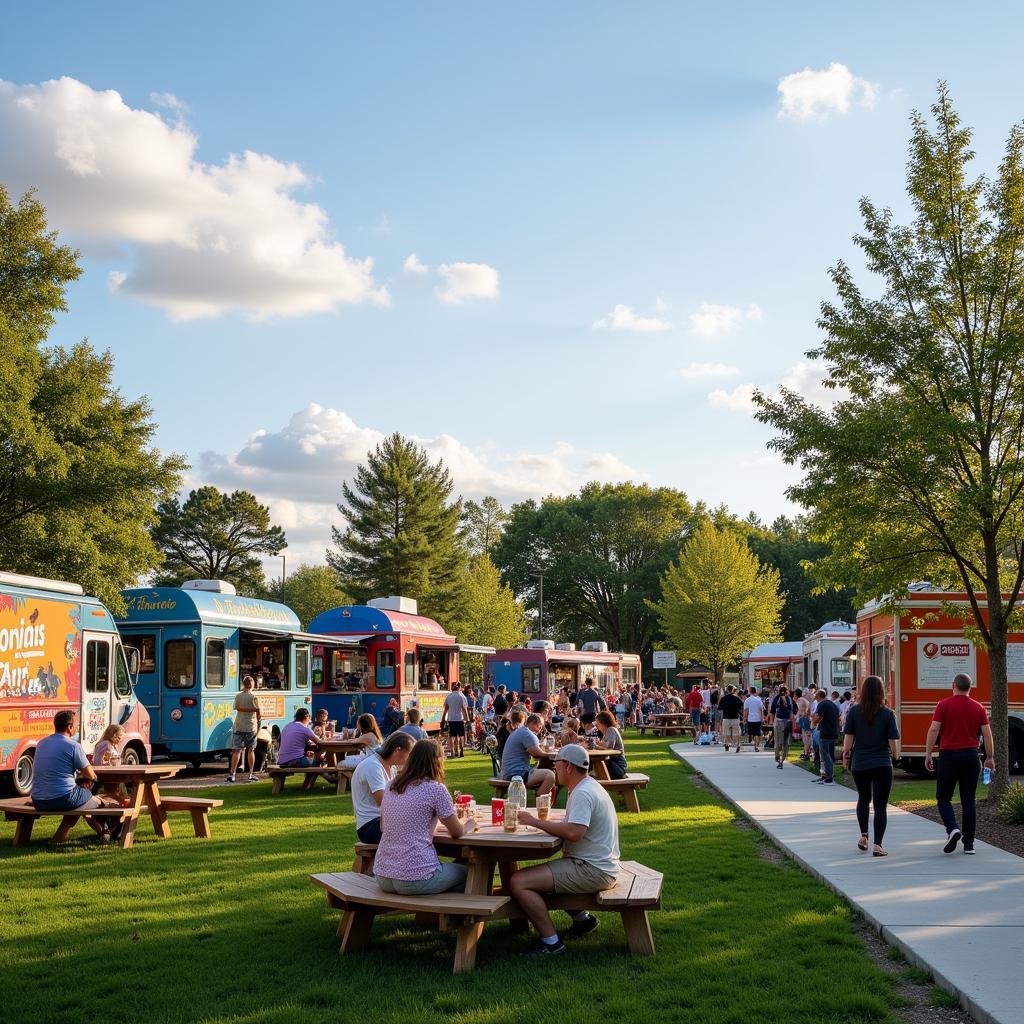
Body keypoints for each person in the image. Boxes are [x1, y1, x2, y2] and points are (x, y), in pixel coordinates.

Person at [510, 744, 621, 956]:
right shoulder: (589, 786)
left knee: (519, 881)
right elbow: (575, 827)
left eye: (557, 765)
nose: (554, 770)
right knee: (548, 874)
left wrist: (534, 821)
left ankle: (551, 942)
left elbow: (574, 832)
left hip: (592, 869)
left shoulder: (582, 793)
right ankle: (583, 920)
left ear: (568, 767)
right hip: (603, 864)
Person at [373, 738, 473, 894]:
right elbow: (457, 832)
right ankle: (459, 916)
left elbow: (383, 826)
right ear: (437, 762)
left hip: (383, 875)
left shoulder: (392, 785)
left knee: (454, 878)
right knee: (472, 874)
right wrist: (470, 824)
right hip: (414, 876)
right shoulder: (435, 789)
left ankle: (431, 916)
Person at [925, 673, 995, 855]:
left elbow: (934, 729)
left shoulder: (943, 705)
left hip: (949, 756)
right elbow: (987, 734)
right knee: (968, 800)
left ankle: (952, 829)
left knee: (943, 798)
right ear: (970, 687)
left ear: (953, 685)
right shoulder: (979, 707)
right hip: (972, 756)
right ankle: (969, 844)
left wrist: (928, 754)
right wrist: (990, 757)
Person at [842, 675, 900, 856]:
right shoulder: (888, 713)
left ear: (863, 691)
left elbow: (849, 738)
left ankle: (864, 836)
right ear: (882, 692)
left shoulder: (853, 711)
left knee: (863, 799)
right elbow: (893, 740)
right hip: (882, 762)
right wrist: (896, 756)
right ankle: (878, 845)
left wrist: (846, 754)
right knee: (880, 805)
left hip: (860, 762)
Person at [31, 711, 120, 823]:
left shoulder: (41, 743)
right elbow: (91, 775)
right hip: (63, 799)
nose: (78, 728)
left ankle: (103, 829)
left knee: (83, 795)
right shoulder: (73, 746)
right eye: (77, 725)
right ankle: (110, 823)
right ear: (70, 727)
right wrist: (95, 780)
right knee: (89, 796)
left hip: (38, 801)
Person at [351, 731, 415, 843]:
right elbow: (384, 801)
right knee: (415, 834)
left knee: (419, 829)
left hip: (383, 820)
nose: (410, 758)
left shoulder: (391, 767)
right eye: (409, 754)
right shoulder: (373, 766)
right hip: (369, 826)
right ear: (397, 750)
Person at [501, 713, 555, 796]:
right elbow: (535, 753)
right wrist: (548, 755)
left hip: (507, 772)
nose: (539, 730)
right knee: (550, 775)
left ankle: (540, 795)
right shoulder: (528, 734)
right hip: (517, 774)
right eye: (540, 727)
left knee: (542, 769)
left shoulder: (520, 731)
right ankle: (539, 801)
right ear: (535, 724)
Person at [227, 675, 261, 782]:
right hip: (251, 726)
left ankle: (232, 774)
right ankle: (250, 774)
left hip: (239, 726)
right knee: (251, 750)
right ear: (253, 684)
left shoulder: (238, 696)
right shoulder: (254, 697)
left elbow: (237, 708)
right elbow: (259, 712)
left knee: (236, 750)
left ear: (243, 684)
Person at [812, 689, 840, 784]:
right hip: (833, 731)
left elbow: (817, 717)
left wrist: (813, 720)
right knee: (825, 754)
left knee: (825, 755)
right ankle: (824, 775)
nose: (814, 697)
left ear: (819, 696)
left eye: (815, 695)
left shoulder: (822, 704)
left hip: (826, 732)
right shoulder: (832, 704)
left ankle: (829, 777)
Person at [593, 710, 627, 779]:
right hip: (615, 766)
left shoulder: (611, 730)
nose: (596, 725)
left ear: (603, 723)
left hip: (618, 768)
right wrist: (597, 744)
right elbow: (606, 746)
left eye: (597, 723)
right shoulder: (607, 732)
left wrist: (595, 746)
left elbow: (609, 750)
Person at [440, 681, 469, 758]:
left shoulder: (449, 696)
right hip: (460, 719)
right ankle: (461, 751)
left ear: (452, 689)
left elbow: (446, 709)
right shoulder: (461, 696)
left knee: (452, 736)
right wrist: (467, 719)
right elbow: (464, 708)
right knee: (460, 736)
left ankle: (453, 753)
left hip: (451, 719)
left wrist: (443, 719)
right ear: (459, 689)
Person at [768, 686, 796, 769]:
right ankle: (781, 760)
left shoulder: (779, 698)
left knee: (779, 742)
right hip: (786, 721)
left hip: (780, 721)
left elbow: (772, 711)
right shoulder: (788, 699)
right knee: (784, 743)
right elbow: (791, 713)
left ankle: (779, 759)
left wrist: (772, 722)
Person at [718, 685, 744, 752]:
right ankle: (738, 744)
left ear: (727, 690)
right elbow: (741, 707)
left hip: (726, 717)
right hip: (735, 717)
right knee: (737, 732)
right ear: (733, 690)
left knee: (726, 732)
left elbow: (720, 709)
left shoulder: (723, 698)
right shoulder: (737, 698)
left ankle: (727, 744)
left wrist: (721, 718)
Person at [742, 687, 764, 752]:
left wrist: (744, 718)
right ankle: (756, 746)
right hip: (758, 718)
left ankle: (755, 743)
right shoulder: (758, 700)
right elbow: (761, 709)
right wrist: (762, 717)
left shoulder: (747, 700)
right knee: (757, 733)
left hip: (750, 719)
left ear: (750, 692)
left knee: (752, 733)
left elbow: (746, 710)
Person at [795, 688, 813, 761]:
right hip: (805, 719)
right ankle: (806, 752)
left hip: (804, 719)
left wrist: (796, 717)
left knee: (806, 738)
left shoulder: (800, 701)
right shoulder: (804, 700)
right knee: (806, 737)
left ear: (796, 695)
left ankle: (807, 754)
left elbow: (800, 711)